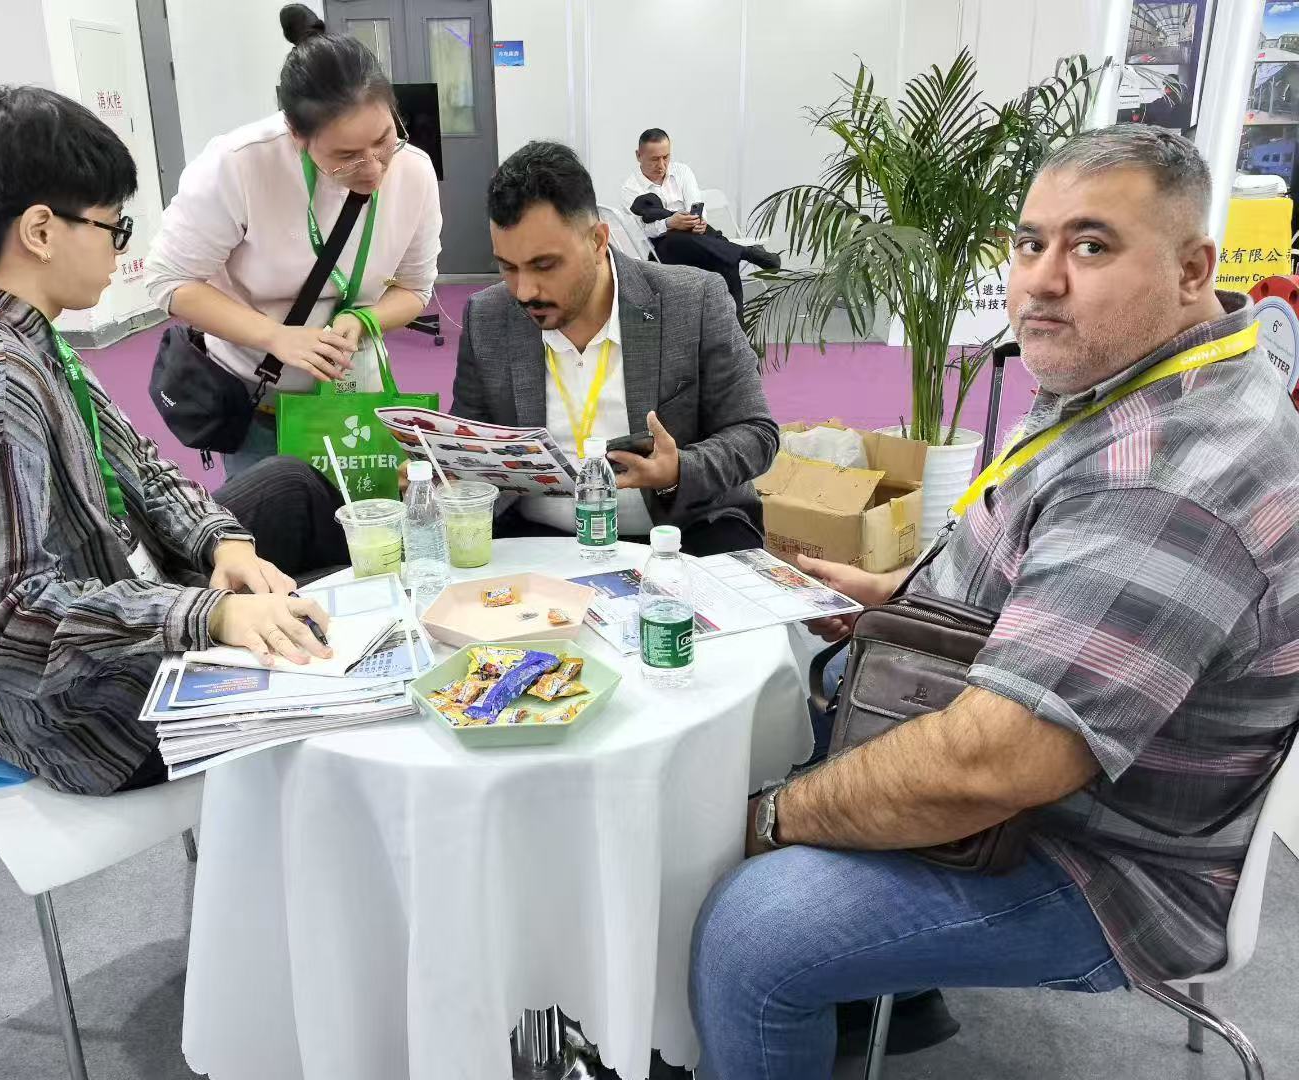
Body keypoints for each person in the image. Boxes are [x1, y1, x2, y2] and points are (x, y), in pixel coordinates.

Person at [690, 125, 1299, 1078]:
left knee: (755, 931)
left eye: (1091, 246)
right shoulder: (1125, 370)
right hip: (1003, 744)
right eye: (1029, 242)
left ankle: (781, 1000)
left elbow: (995, 766)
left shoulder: (1172, 475)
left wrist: (772, 821)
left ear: (1192, 271)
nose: (1042, 280)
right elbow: (1045, 578)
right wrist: (896, 598)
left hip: (1098, 857)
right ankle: (857, 995)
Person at [0, 86, 343, 797]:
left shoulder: (24, 336)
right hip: (90, 716)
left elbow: (142, 469)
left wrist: (223, 547)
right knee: (337, 662)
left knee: (289, 488)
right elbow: (4, 623)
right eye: (112, 227)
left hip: (124, 586)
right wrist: (208, 614)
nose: (119, 248)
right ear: (41, 231)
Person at [145, 5, 441, 479]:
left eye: (385, 140)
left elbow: (414, 289)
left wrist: (363, 318)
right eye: (346, 156)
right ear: (296, 135)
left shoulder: (414, 172)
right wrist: (276, 337)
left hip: (355, 401)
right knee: (269, 521)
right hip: (260, 400)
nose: (373, 169)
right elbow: (169, 282)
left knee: (367, 520)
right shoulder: (240, 165)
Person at [453, 141, 779, 558]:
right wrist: (449, 470)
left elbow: (755, 432)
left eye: (544, 265)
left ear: (597, 241)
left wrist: (679, 469)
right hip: (536, 536)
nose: (524, 290)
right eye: (507, 267)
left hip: (681, 529)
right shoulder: (487, 316)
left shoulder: (693, 300)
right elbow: (469, 441)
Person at [620, 128, 780, 314]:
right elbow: (641, 232)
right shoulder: (630, 189)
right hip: (661, 247)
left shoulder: (682, 171)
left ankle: (736, 329)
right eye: (654, 159)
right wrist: (670, 223)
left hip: (697, 237)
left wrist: (699, 221)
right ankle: (746, 252)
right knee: (683, 240)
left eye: (666, 157)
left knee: (726, 261)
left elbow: (696, 205)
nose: (662, 165)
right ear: (638, 155)